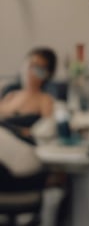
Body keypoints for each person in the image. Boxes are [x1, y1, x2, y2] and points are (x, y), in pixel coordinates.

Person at [0, 47, 57, 177]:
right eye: (29, 65)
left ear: (47, 74)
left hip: (21, 148)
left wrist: (24, 131)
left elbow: (47, 131)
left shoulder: (44, 100)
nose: (31, 72)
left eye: (38, 68)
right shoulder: (11, 95)